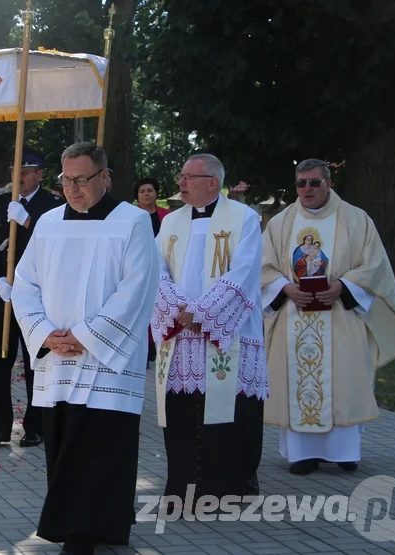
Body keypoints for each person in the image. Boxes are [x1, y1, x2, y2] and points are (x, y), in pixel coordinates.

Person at [10, 142, 158, 554]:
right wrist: (44, 333)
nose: (72, 188)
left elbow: (137, 288)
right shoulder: (49, 223)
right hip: (57, 358)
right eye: (66, 180)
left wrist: (87, 336)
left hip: (106, 360)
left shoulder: (132, 222)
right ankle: (89, 523)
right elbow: (26, 285)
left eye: (81, 180)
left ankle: (83, 534)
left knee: (100, 446)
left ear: (104, 177)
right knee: (64, 440)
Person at [261, 158, 395, 474]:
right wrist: (286, 288)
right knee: (296, 379)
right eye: (301, 183)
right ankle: (301, 455)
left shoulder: (356, 219)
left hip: (340, 316)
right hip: (294, 316)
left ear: (328, 183)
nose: (307, 189)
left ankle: (345, 452)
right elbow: (264, 267)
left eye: (314, 182)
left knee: (345, 381)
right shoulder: (280, 223)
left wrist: (343, 285)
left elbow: (374, 265)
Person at [152, 153, 268, 501]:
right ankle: (184, 488)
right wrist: (176, 308)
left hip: (227, 331)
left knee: (231, 412)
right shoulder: (170, 222)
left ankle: (228, 487)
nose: (181, 182)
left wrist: (201, 312)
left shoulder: (244, 218)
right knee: (183, 414)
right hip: (181, 335)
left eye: (189, 176)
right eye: (181, 175)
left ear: (213, 183)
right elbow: (155, 269)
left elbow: (244, 272)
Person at [0, 150, 63, 448]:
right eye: (17, 170)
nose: (21, 176)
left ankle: (35, 426)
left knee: (35, 362)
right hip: (5, 294)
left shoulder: (53, 205)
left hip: (38, 298)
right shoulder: (0, 203)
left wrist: (28, 221)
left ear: (41, 174)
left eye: (27, 171)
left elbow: (56, 248)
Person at [135, 177, 171, 364]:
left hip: (163, 267)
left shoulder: (168, 216)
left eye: (150, 190)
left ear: (156, 193)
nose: (146, 194)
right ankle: (145, 346)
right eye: (142, 191)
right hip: (140, 266)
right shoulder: (132, 215)